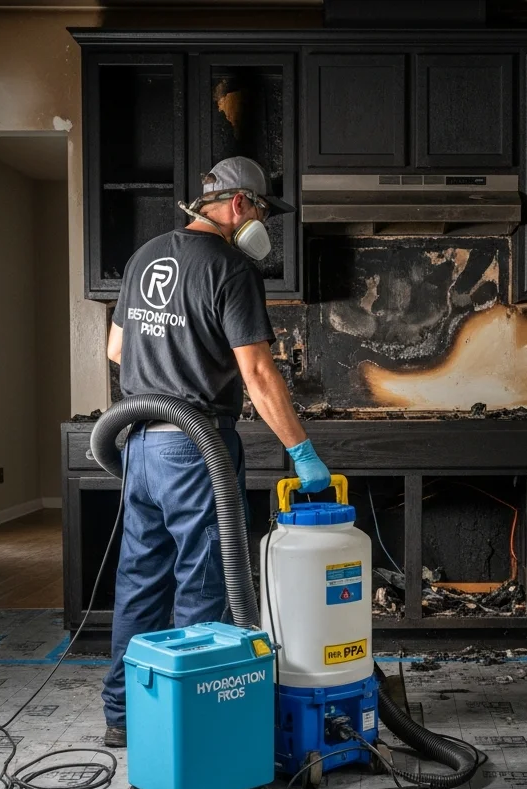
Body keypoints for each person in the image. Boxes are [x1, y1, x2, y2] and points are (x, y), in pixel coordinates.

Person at [100, 156, 330, 748]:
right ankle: (190, 725)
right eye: (261, 211)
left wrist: (175, 350)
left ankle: (123, 718)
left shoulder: (145, 255)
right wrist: (301, 451)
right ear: (237, 205)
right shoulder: (231, 268)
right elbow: (256, 372)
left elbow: (118, 350)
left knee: (139, 581)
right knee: (205, 582)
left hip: (139, 446)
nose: (263, 226)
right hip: (194, 449)